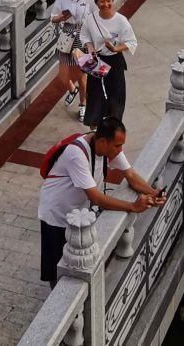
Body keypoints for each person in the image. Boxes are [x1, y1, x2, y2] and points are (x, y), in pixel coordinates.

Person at [36, 116, 164, 283]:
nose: (120, 150)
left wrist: (153, 192)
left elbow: (130, 175)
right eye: (118, 145)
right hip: (56, 214)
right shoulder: (77, 154)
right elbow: (96, 197)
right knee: (57, 267)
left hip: (79, 212)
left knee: (79, 258)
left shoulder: (105, 147)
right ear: (103, 141)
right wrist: (133, 206)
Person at [79, 0, 138, 127]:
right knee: (96, 96)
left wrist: (116, 48)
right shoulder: (90, 20)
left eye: (108, 0)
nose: (106, 4)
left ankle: (113, 127)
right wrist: (90, 48)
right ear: (96, 3)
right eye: (102, 1)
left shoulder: (121, 21)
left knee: (116, 96)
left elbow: (132, 42)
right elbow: (85, 36)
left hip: (114, 62)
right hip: (97, 62)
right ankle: (94, 129)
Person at [50, 0, 94, 114]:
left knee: (82, 76)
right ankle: (72, 90)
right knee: (63, 76)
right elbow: (53, 18)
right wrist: (62, 17)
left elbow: (96, 17)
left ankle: (83, 105)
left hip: (82, 37)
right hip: (67, 36)